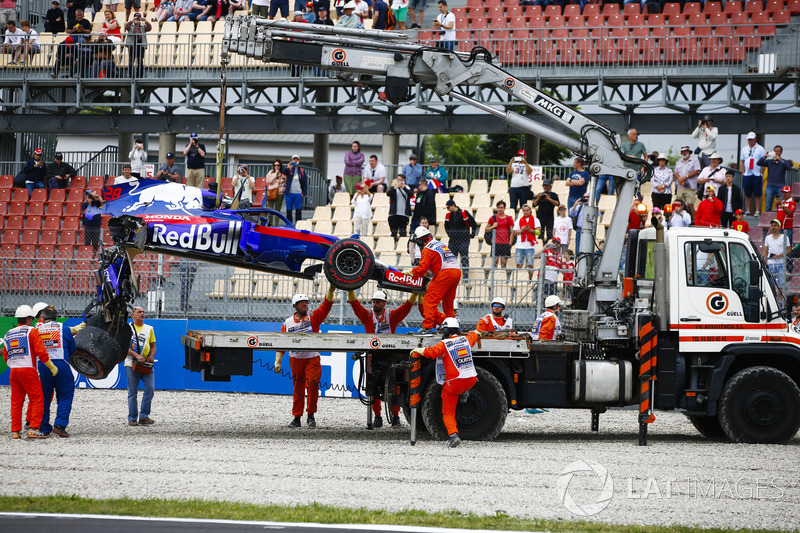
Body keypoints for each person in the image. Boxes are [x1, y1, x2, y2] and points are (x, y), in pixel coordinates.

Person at [348, 289, 417, 427]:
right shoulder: (367, 315)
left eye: (378, 302)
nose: (375, 304)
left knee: (393, 387)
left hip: (389, 356)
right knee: (372, 388)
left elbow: (405, 309)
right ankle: (377, 417)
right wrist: (351, 290)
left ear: (384, 303)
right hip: (372, 356)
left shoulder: (392, 315)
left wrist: (414, 295)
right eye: (373, 301)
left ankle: (395, 417)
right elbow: (355, 306)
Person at [410, 317, 477, 448]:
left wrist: (417, 350)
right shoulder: (466, 340)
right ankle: (463, 394)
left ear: (446, 330)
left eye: (443, 331)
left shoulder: (444, 344)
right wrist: (476, 333)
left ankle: (453, 436)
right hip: (471, 380)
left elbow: (431, 353)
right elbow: (474, 335)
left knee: (448, 412)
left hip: (453, 384)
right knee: (464, 385)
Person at [275, 287, 335, 428]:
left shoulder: (314, 316)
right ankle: (296, 418)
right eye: (301, 303)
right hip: (295, 359)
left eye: (306, 302)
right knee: (298, 389)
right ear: (295, 306)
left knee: (312, 386)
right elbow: (281, 341)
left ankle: (311, 416)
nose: (305, 305)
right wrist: (278, 360)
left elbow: (326, 307)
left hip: (312, 358)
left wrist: (331, 292)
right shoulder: (287, 322)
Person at [3, 305, 58, 439]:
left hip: (13, 371)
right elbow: (41, 352)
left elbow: (6, 356)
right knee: (37, 399)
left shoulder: (8, 333)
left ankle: (15, 431)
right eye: (31, 318)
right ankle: (33, 428)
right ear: (28, 318)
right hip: (28, 370)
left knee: (16, 402)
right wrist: (51, 367)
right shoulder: (31, 331)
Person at [406, 225, 461, 334]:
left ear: (420, 241)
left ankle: (427, 328)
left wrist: (411, 272)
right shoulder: (439, 244)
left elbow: (422, 269)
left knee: (429, 300)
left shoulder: (427, 249)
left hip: (445, 273)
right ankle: (453, 328)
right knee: (448, 304)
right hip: (456, 272)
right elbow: (436, 262)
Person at [34, 306, 75, 438]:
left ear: (43, 317)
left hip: (43, 364)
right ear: (56, 317)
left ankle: (44, 427)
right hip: (61, 363)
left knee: (44, 397)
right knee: (65, 394)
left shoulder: (36, 329)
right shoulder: (64, 328)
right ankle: (59, 425)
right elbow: (72, 348)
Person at [126, 307, 156, 426]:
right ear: (133, 315)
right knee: (132, 392)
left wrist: (152, 356)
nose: (142, 314)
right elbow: (125, 347)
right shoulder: (127, 329)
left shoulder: (149, 329)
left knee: (150, 389)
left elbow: (153, 345)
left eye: (143, 312)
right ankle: (132, 417)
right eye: (139, 312)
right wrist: (137, 356)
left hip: (146, 365)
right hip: (131, 364)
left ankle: (144, 416)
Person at [444, 199, 477, 273]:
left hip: (464, 240)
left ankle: (465, 276)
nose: (448, 209)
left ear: (453, 205)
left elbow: (473, 224)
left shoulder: (464, 213)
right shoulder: (448, 215)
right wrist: (450, 235)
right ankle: (452, 275)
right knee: (451, 259)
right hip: (453, 241)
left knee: (464, 258)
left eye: (448, 207)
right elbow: (446, 227)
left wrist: (473, 234)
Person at [759, 146, 794, 212]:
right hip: (770, 186)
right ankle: (767, 220)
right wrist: (765, 156)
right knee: (768, 205)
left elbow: (789, 168)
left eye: (778, 151)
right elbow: (759, 163)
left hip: (780, 187)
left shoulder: (783, 162)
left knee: (780, 205)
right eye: (775, 151)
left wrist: (780, 160)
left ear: (781, 152)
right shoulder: (770, 161)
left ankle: (779, 219)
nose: (776, 153)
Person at [740, 132, 766, 216]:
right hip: (747, 174)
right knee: (747, 193)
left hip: (756, 173)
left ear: (755, 139)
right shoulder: (744, 149)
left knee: (757, 193)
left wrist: (761, 172)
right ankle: (748, 210)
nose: (750, 140)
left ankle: (757, 210)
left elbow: (763, 161)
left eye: (752, 139)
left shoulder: (760, 149)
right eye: (749, 139)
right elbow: (742, 161)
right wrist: (743, 172)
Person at [674, 145, 701, 218]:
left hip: (691, 187)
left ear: (689, 152)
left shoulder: (695, 160)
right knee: (678, 205)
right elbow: (675, 173)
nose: (684, 152)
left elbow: (696, 171)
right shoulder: (678, 162)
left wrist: (684, 177)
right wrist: (680, 179)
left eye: (686, 151)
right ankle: (678, 220)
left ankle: (694, 222)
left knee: (690, 205)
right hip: (680, 186)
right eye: (683, 151)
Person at [486, 200, 514, 268]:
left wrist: (510, 242)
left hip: (505, 242)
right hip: (495, 242)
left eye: (501, 207)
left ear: (504, 208)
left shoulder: (509, 218)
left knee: (503, 263)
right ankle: (494, 277)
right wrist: (493, 226)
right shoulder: (493, 218)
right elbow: (486, 229)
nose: (500, 209)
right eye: (498, 207)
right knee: (495, 263)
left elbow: (512, 231)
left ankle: (502, 277)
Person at [513, 204, 539, 278]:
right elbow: (515, 232)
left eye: (527, 210)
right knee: (518, 264)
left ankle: (530, 279)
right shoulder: (519, 220)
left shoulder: (535, 220)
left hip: (530, 246)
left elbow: (538, 232)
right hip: (519, 245)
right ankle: (519, 278)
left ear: (531, 211)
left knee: (530, 264)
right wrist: (522, 230)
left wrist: (530, 230)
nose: (526, 212)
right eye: (524, 210)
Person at [618, 128, 647, 193]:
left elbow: (646, 157)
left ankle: (637, 202)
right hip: (626, 170)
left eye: (636, 134)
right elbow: (621, 155)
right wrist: (632, 157)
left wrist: (644, 167)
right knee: (625, 189)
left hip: (637, 171)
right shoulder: (624, 145)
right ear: (629, 135)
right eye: (634, 134)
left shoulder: (641, 145)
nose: (635, 136)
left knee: (637, 190)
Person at [764, 219, 790, 291]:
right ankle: (774, 299)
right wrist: (764, 259)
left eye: (775, 225)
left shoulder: (784, 237)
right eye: (772, 225)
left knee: (781, 285)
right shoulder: (768, 238)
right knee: (771, 284)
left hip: (781, 263)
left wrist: (780, 255)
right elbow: (766, 251)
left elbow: (789, 250)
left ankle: (780, 301)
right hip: (771, 263)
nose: (773, 227)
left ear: (779, 227)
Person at [124, 12, 151, 78]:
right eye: (136, 17)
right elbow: (126, 27)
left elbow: (149, 28)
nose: (137, 20)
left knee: (140, 61)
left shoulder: (143, 26)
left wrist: (146, 21)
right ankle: (131, 76)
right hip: (132, 44)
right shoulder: (131, 25)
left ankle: (140, 76)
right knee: (131, 61)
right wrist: (131, 21)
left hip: (140, 44)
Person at [284, 154, 308, 224]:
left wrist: (304, 192)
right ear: (291, 161)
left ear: (299, 161)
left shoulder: (302, 171)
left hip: (298, 194)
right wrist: (288, 167)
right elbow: (284, 172)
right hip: (289, 193)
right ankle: (289, 225)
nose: (295, 160)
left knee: (298, 211)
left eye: (297, 159)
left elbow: (305, 183)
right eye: (294, 159)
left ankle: (298, 225)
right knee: (289, 211)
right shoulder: (289, 169)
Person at [533, 179, 559, 244]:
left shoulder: (553, 195)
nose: (545, 187)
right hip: (541, 216)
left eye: (547, 185)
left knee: (549, 234)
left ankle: (549, 248)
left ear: (550, 186)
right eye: (544, 186)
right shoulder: (540, 195)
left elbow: (557, 204)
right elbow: (534, 205)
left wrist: (548, 198)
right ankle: (540, 246)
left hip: (549, 216)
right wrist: (538, 197)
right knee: (540, 234)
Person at [387, 174, 412, 239]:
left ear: (404, 180)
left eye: (401, 180)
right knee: (393, 232)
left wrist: (404, 187)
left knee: (403, 232)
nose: (399, 182)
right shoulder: (393, 188)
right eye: (398, 180)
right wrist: (396, 187)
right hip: (394, 214)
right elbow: (388, 193)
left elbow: (411, 194)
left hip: (404, 214)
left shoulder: (407, 188)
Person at [81, 189, 103, 255]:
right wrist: (89, 204)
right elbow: (85, 213)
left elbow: (102, 201)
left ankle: (95, 254)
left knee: (95, 241)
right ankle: (87, 254)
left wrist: (96, 195)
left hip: (96, 224)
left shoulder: (97, 203)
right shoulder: (84, 205)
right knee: (87, 241)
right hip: (88, 225)